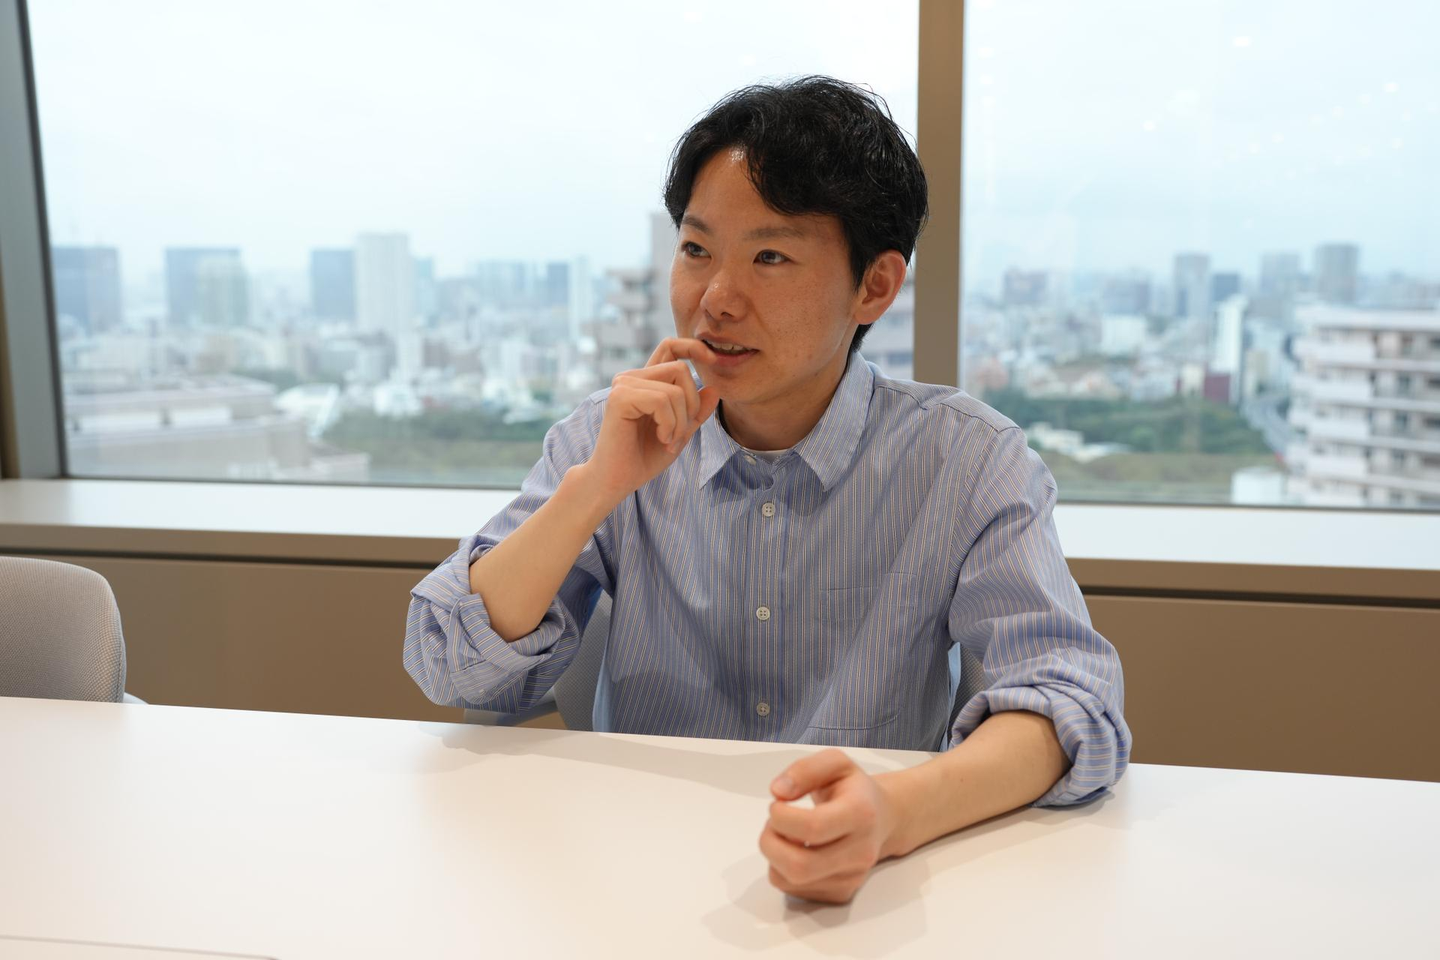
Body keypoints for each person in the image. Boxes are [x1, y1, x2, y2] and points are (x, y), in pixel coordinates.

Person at [405, 76, 1130, 904]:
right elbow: (451, 668)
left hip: (870, 891)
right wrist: (593, 489)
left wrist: (895, 811)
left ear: (875, 286)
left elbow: (1069, 705)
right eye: (696, 249)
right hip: (635, 878)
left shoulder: (966, 459)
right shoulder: (608, 436)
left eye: (771, 258)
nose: (715, 300)